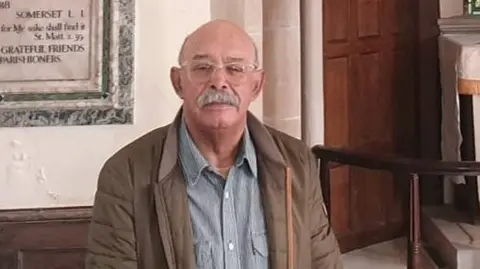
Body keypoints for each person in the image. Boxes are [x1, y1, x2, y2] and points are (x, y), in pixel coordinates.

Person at [85, 19, 343, 269]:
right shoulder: (126, 174)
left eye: (235, 69)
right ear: (178, 83)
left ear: (256, 86)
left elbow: (323, 263)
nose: (219, 81)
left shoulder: (296, 162)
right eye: (202, 68)